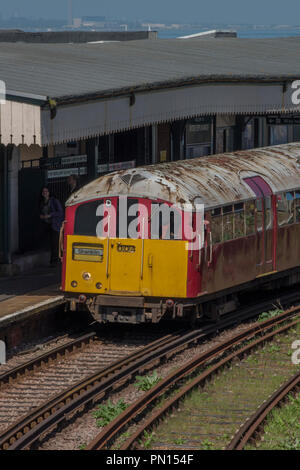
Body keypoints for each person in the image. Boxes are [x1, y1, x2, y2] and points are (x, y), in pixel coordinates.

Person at [39, 187, 64, 265]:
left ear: (49, 192)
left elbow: (60, 212)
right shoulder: (41, 202)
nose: (45, 193)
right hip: (46, 224)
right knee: (49, 243)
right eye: (43, 191)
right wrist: (41, 216)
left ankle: (54, 261)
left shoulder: (54, 201)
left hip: (55, 224)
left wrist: (50, 215)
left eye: (46, 191)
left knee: (55, 243)